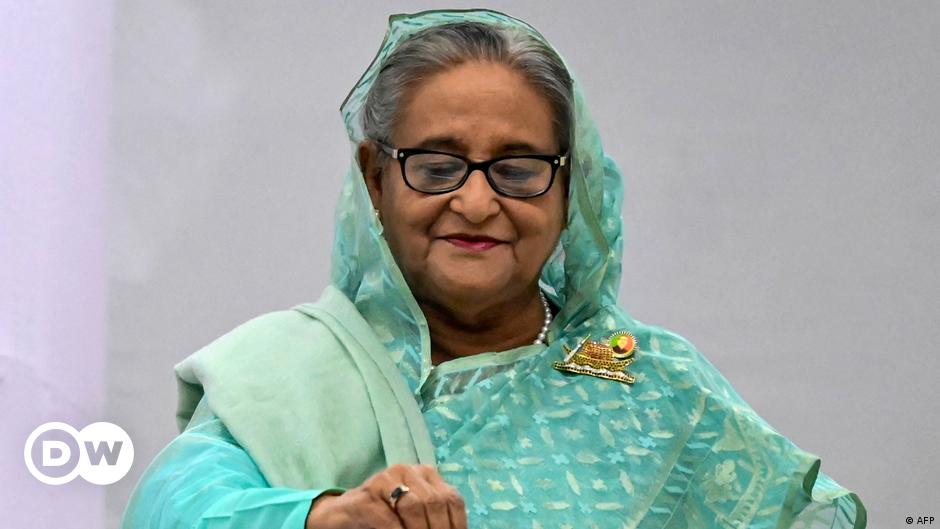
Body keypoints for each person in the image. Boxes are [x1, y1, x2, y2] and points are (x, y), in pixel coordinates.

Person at [120, 8, 866, 529]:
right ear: (374, 176)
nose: (476, 203)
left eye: (517, 169)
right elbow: (173, 506)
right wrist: (323, 515)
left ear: (573, 189)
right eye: (438, 165)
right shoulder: (287, 372)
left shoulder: (654, 387)